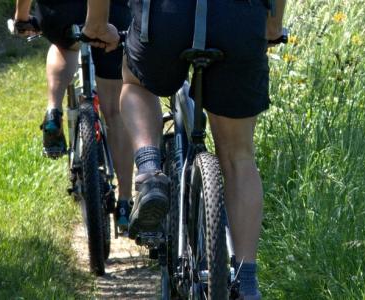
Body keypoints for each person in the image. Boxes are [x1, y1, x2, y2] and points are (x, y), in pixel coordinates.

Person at [82, 0, 287, 298]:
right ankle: (247, 284)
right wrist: (272, 25)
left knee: (136, 82)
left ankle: (150, 171)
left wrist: (98, 25)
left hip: (165, 18)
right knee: (238, 157)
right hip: (239, 18)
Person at [11, 0, 137, 226]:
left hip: (59, 11)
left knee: (63, 45)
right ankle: (125, 203)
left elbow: (25, 14)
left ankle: (53, 110)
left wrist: (21, 16)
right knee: (115, 113)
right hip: (111, 11)